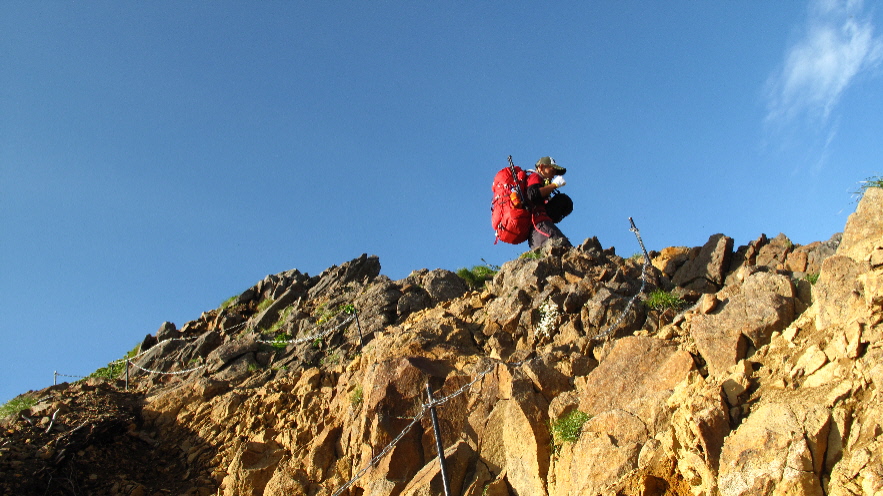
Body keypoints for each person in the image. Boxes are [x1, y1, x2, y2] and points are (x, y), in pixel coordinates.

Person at [525, 156, 573, 250]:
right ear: (542, 167)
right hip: (540, 226)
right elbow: (533, 195)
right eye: (552, 170)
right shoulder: (535, 176)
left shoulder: (540, 181)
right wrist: (554, 185)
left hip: (539, 228)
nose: (553, 174)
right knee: (565, 249)